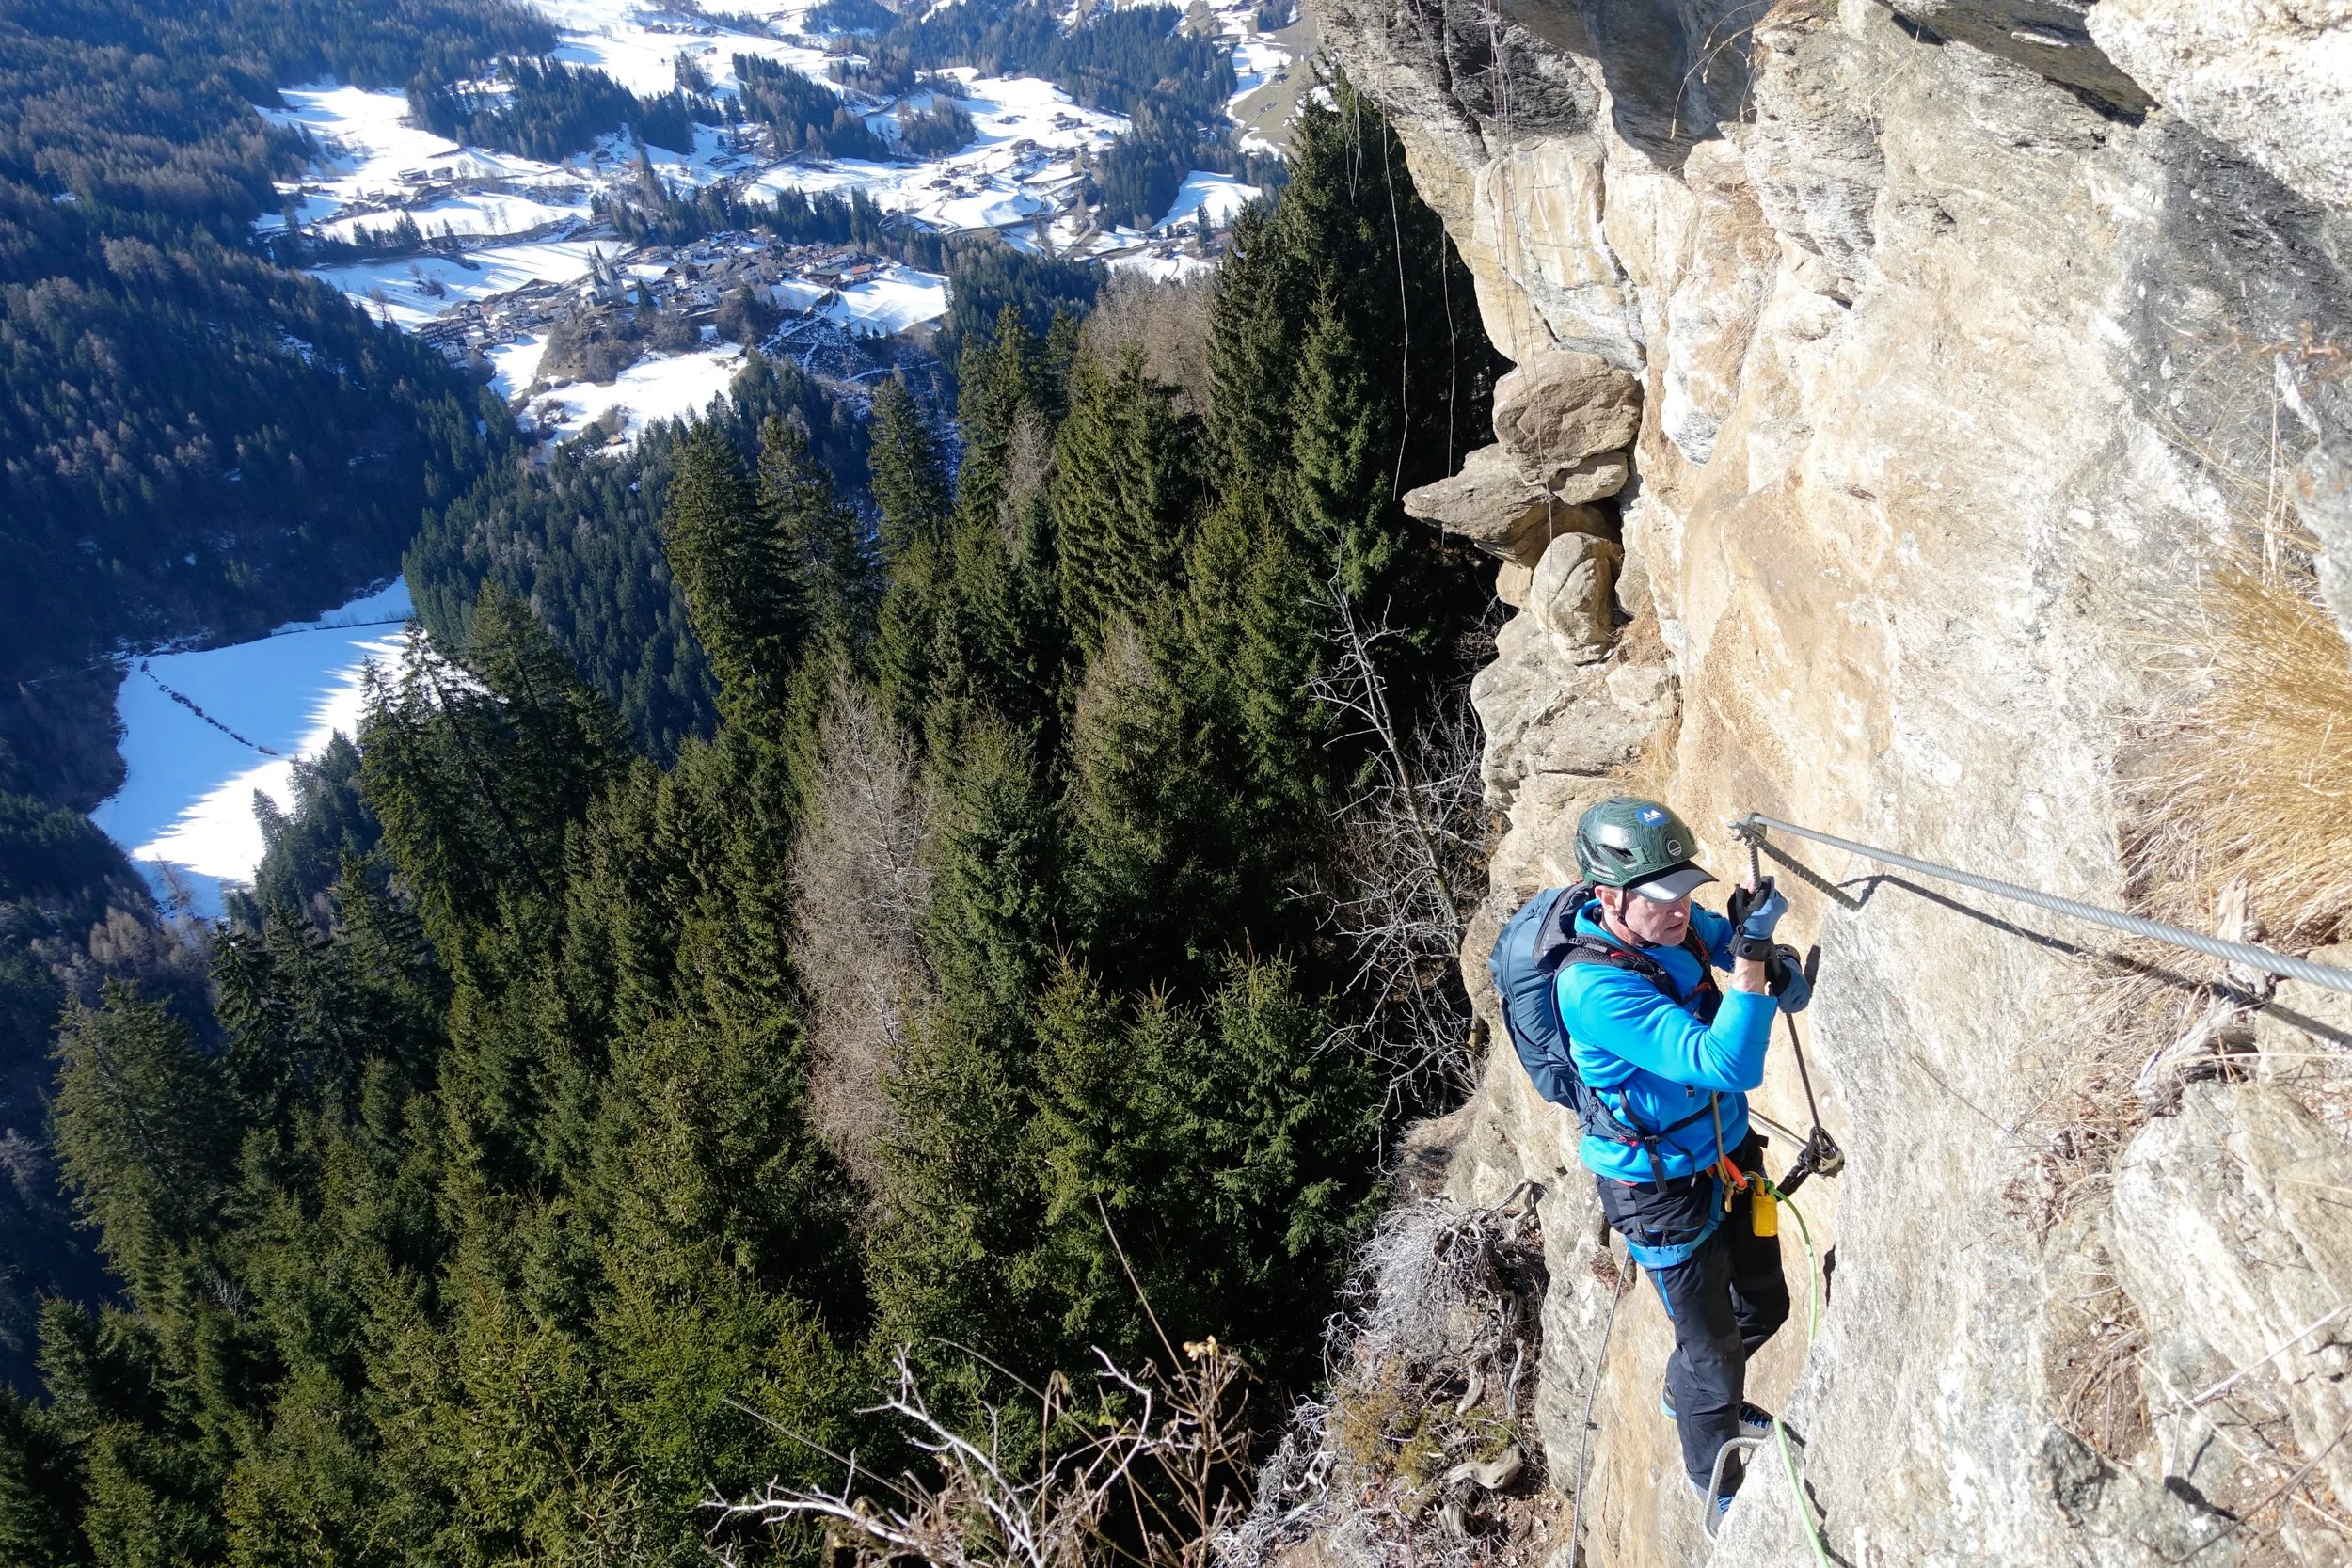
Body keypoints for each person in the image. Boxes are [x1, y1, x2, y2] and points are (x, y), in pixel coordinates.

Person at [1540, 797, 1810, 1511]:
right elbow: (1725, 1062)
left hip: (1727, 1152)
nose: (1681, 908)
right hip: (1659, 1194)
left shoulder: (1676, 927)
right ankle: (1713, 1483)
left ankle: (1687, 1388)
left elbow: (1731, 948)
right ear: (1608, 897)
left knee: (1766, 1305)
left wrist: (1768, 960)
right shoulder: (1594, 987)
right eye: (1662, 897)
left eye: (1687, 889)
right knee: (1717, 1359)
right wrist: (1753, 960)